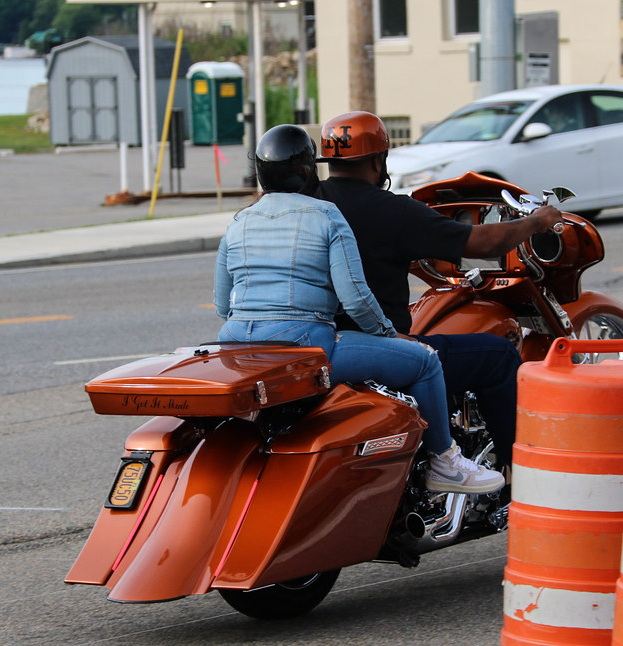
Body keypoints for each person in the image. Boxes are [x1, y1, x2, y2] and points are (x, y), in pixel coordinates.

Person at [214, 124, 504, 494]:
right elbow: (354, 297)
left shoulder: (239, 221)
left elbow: (224, 304)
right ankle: (445, 462)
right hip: (308, 345)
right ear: (308, 169)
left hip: (239, 343)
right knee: (425, 360)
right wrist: (388, 333)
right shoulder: (326, 215)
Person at [313, 111, 564, 490]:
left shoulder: (306, 204)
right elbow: (483, 242)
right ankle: (523, 480)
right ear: (379, 160)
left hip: (309, 345)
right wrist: (534, 222)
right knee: (498, 357)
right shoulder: (394, 210)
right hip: (372, 349)